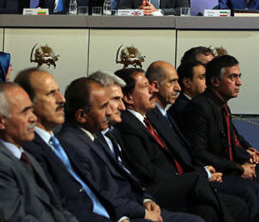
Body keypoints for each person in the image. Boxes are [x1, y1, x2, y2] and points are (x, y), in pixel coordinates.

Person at [114, 67, 248, 222]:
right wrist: (188, 178)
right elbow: (146, 172)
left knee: (218, 209)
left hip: (177, 182)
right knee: (198, 182)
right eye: (145, 86)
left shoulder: (149, 118)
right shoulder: (126, 125)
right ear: (128, 98)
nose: (152, 90)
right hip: (156, 188)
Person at [181, 56, 259, 222]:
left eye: (239, 76)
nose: (239, 83)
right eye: (232, 77)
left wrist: (245, 159)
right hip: (215, 173)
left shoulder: (222, 105)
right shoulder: (199, 107)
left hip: (229, 167)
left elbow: (230, 140)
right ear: (214, 81)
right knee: (256, 190)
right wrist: (239, 168)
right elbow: (199, 153)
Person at [57, 77, 173, 222]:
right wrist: (141, 213)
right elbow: (99, 194)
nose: (108, 112)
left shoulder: (96, 135)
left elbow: (125, 177)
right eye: (102, 107)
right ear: (81, 115)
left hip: (135, 203)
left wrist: (146, 200)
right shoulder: (72, 143)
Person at [15, 68, 113, 221]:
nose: (62, 99)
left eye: (59, 91)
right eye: (50, 93)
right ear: (28, 102)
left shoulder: (58, 142)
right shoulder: (29, 150)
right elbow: (60, 205)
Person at [0, 81, 78, 221]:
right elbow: (16, 218)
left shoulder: (25, 156)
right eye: (25, 112)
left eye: (31, 110)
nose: (33, 118)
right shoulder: (2, 164)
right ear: (2, 122)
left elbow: (55, 208)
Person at [167, 60, 207, 124]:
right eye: (202, 78)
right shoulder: (184, 109)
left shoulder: (195, 104)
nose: (207, 82)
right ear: (187, 82)